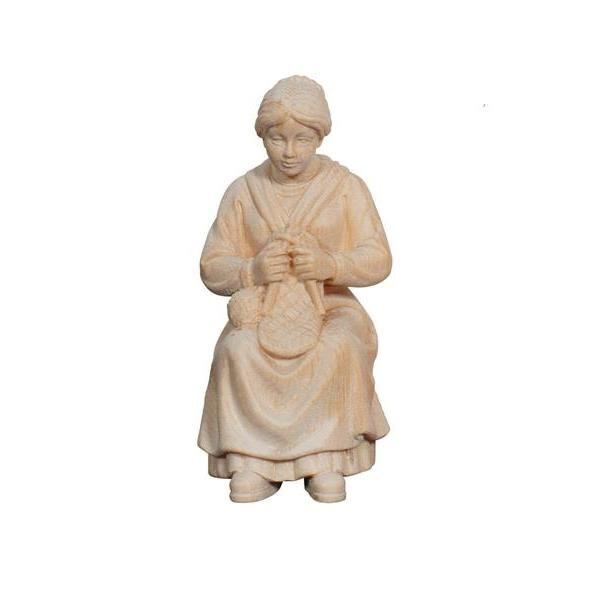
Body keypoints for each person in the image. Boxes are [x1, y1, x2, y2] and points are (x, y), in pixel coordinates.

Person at [198, 75, 392, 502]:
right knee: (237, 350)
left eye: (302, 139)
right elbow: (212, 265)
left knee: (338, 346)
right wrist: (251, 270)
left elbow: (378, 258)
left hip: (330, 307)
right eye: (277, 139)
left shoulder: (345, 188)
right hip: (263, 308)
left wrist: (331, 264)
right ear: (262, 137)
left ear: (319, 136)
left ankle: (326, 455)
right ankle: (251, 458)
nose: (289, 152)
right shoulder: (244, 192)